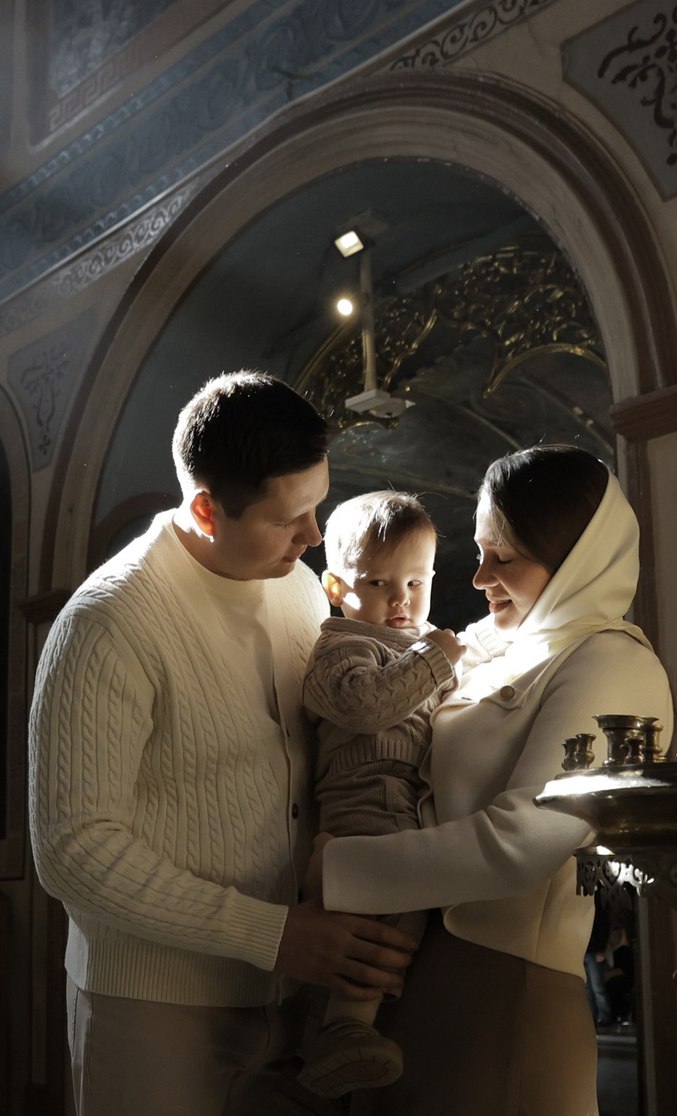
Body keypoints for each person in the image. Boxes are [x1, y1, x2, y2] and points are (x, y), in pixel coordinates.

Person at [30, 372, 420, 1116]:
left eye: (319, 506)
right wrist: (273, 936)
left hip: (298, 998)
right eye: (289, 519)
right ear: (207, 508)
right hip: (154, 1003)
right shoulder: (108, 622)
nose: (312, 537)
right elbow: (73, 849)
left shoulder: (301, 589)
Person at [318, 444, 673, 1116]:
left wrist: (337, 865)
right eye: (480, 551)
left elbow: (524, 842)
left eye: (504, 557)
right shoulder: (479, 645)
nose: (478, 577)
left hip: (505, 994)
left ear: (574, 559)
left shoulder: (612, 664)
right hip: (403, 982)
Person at [295, 491, 464, 1096]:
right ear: (338, 588)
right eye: (378, 582)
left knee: (398, 926)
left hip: (406, 816)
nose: (401, 599)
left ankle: (343, 1031)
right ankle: (341, 1030)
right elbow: (367, 705)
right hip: (362, 817)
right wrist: (437, 659)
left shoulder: (416, 650)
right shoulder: (341, 645)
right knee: (372, 935)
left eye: (416, 582)